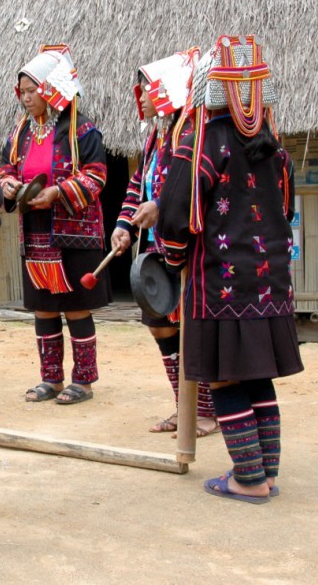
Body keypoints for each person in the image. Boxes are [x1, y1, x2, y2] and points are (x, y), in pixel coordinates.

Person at [157, 34, 303, 504]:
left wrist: (173, 256)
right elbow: (284, 208)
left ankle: (248, 477)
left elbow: (176, 213)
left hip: (218, 282)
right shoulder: (272, 147)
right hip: (269, 281)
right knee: (256, 374)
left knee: (222, 376)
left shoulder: (202, 141)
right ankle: (267, 473)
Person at [111, 50, 219, 437]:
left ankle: (205, 411)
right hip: (158, 249)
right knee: (161, 325)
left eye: (145, 88)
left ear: (166, 89)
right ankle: (183, 405)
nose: (138, 95)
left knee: (192, 328)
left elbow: (194, 187)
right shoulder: (158, 133)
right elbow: (138, 184)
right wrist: (125, 223)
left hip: (190, 249)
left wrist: (161, 206)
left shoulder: (194, 132)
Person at [0, 45, 111, 405]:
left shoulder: (82, 130)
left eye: (32, 91)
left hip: (73, 234)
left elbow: (97, 177)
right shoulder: (21, 134)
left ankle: (84, 381)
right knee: (43, 308)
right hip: (36, 233)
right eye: (23, 92)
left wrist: (57, 193)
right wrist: (8, 184)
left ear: (51, 90)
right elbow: (6, 167)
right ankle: (51, 378)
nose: (26, 98)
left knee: (76, 307)